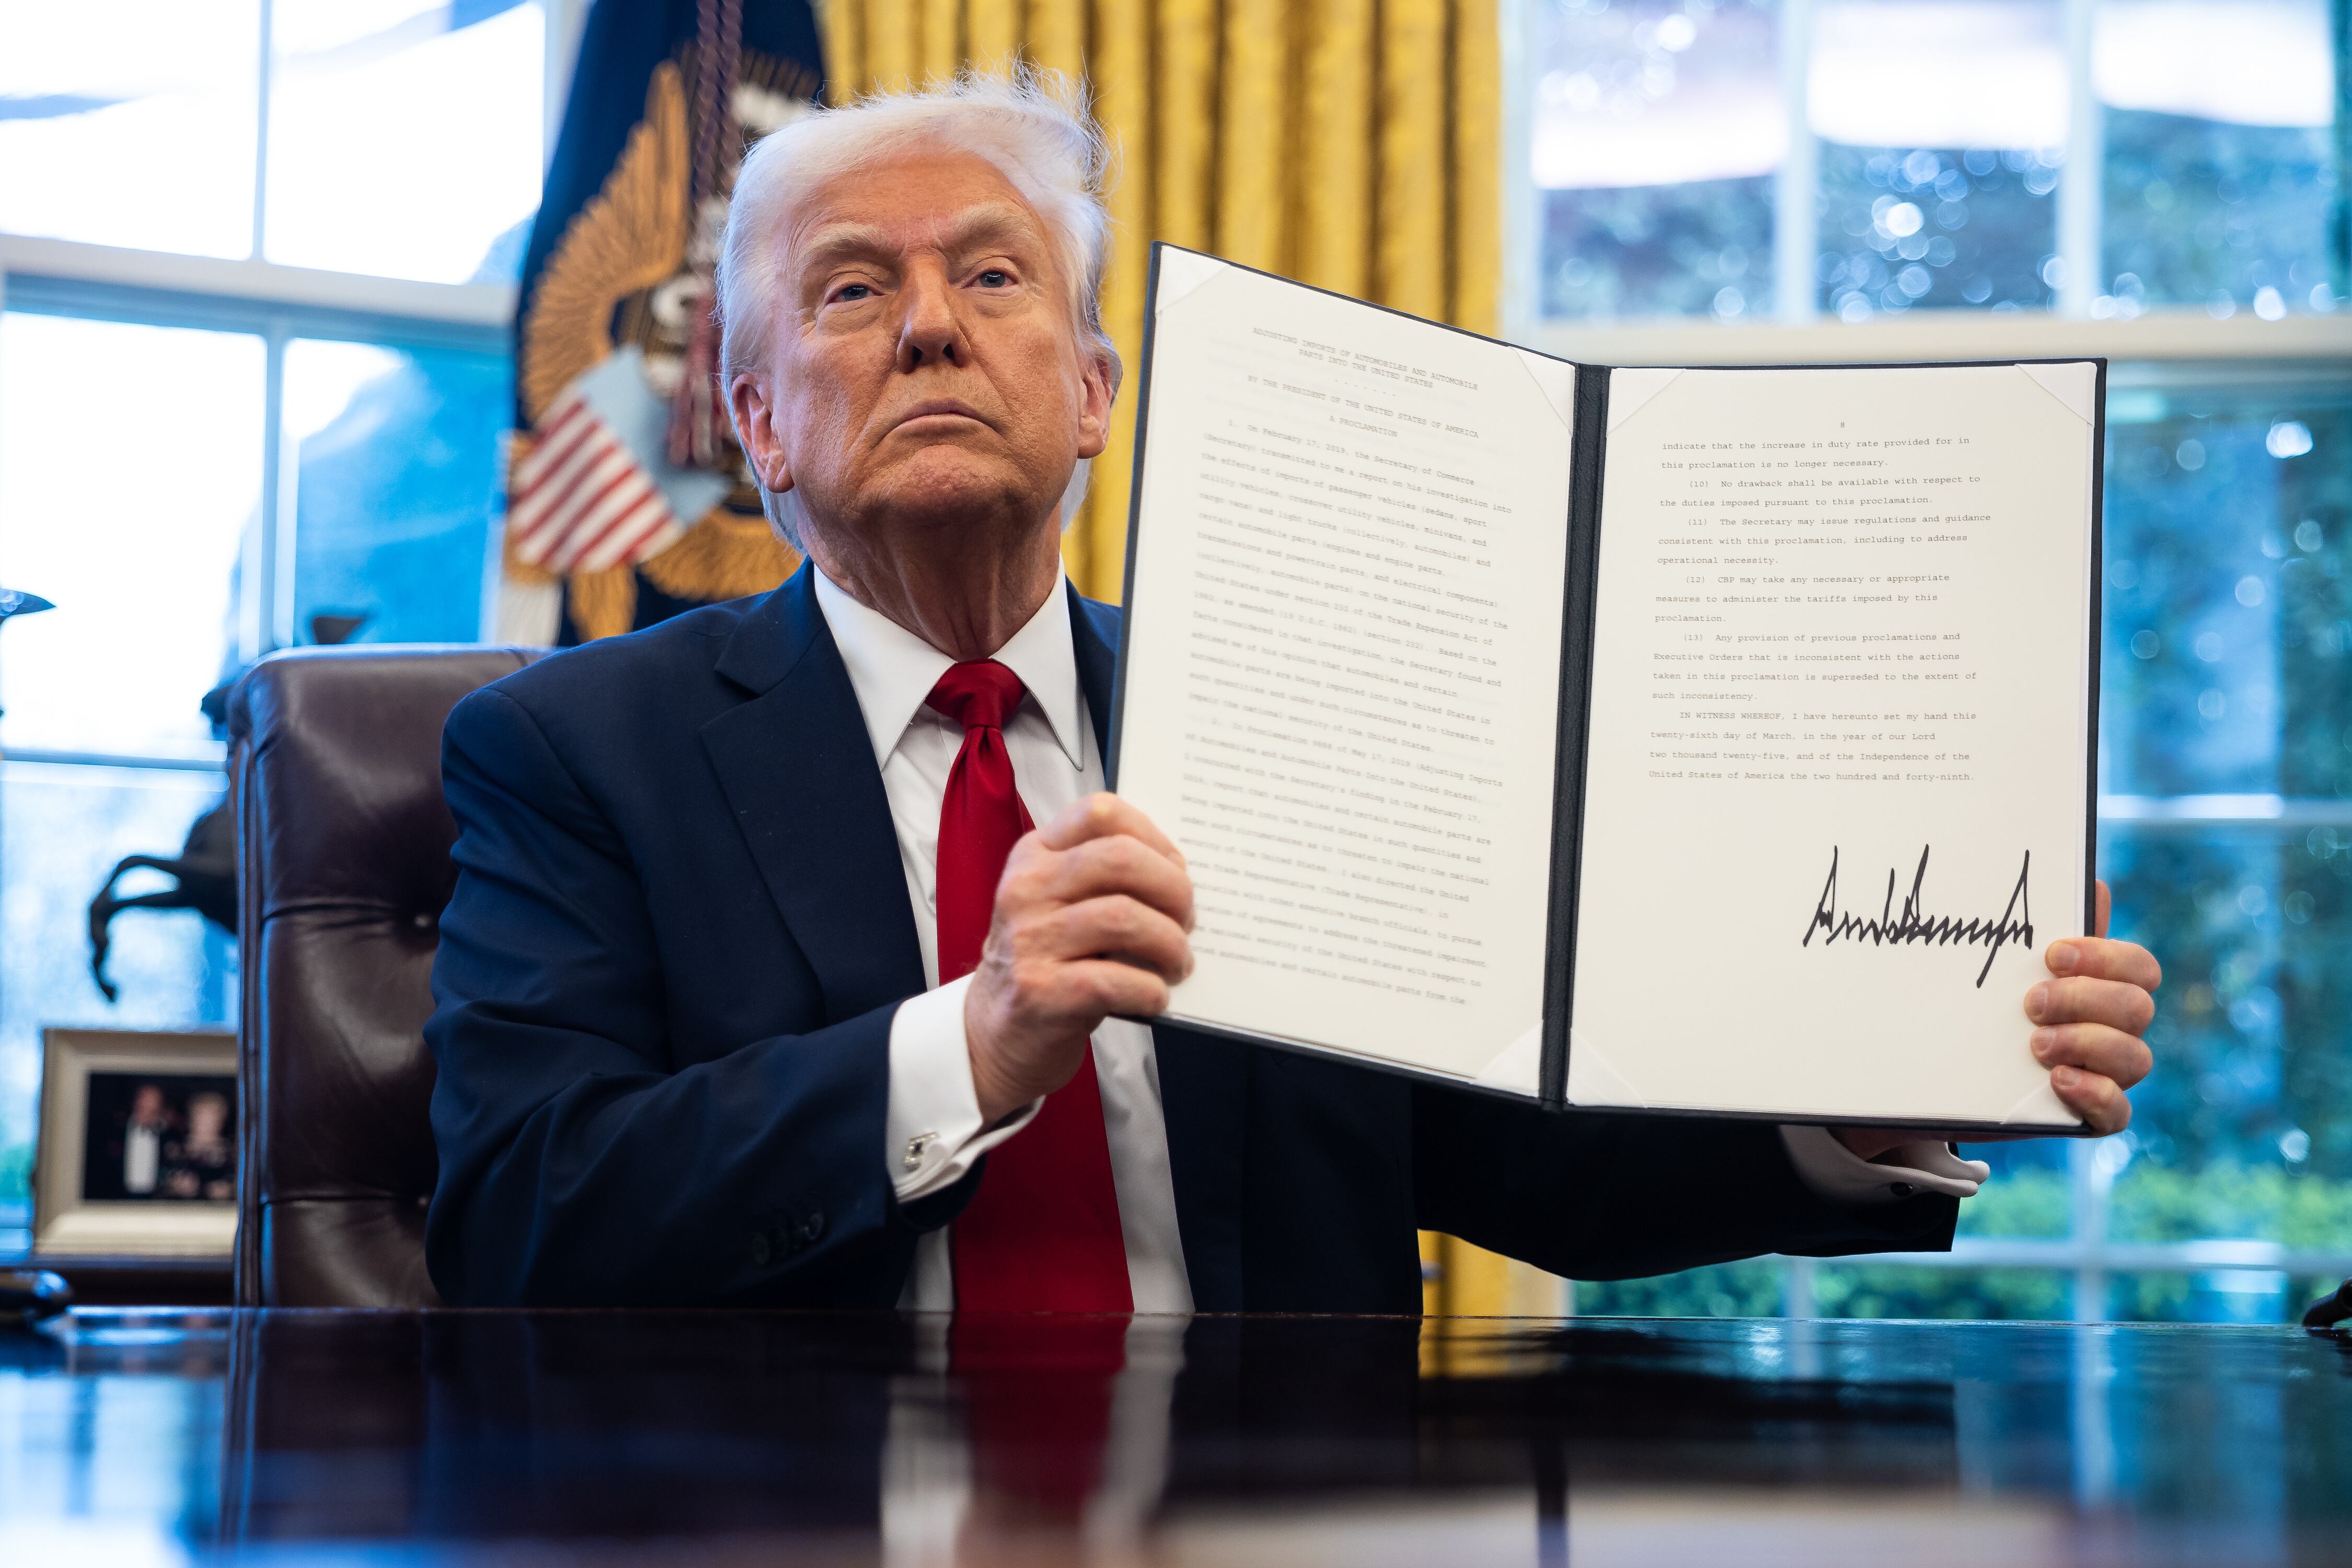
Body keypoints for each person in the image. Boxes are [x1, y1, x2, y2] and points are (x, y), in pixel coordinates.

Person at [424, 73, 2161, 1311]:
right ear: (755, 424)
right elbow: (518, 1215)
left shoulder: (1304, 711)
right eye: (852, 290)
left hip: (1288, 1503)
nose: (931, 329)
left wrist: (1857, 1097)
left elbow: (1515, 1167)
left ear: (1093, 394)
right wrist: (975, 1036)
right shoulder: (571, 752)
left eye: (992, 275)